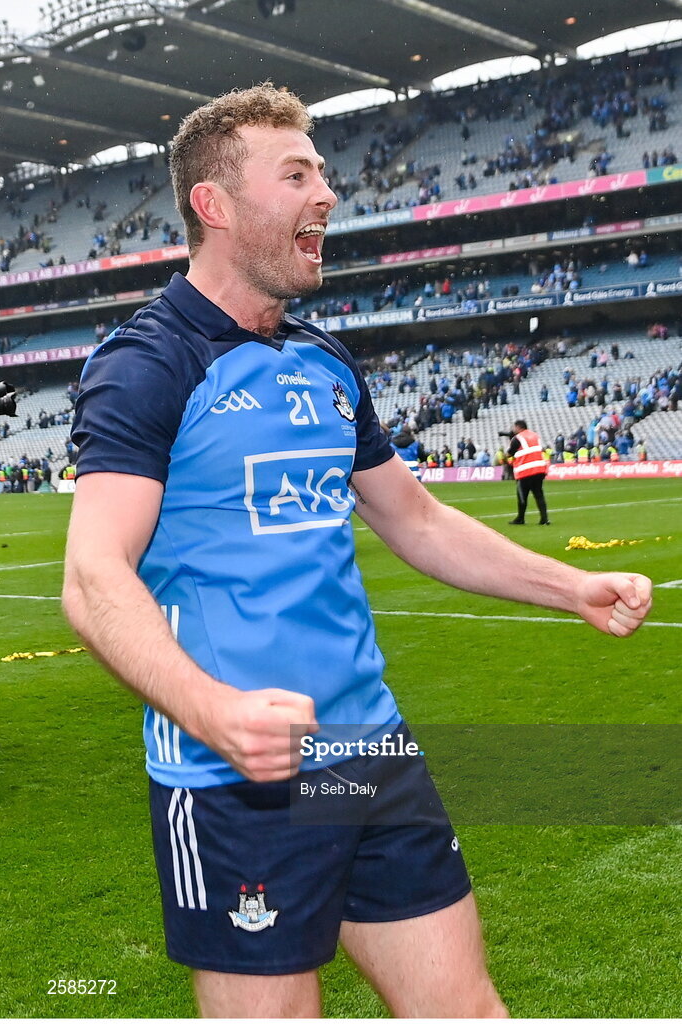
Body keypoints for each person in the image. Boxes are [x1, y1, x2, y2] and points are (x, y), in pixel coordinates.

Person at [63, 84, 653, 1020]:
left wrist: (568, 584)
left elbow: (414, 520)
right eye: (295, 174)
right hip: (230, 776)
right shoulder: (150, 363)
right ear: (213, 206)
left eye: (324, 173)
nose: (326, 194)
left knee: (467, 1011)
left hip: (363, 750)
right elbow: (93, 577)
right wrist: (213, 711)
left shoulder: (324, 362)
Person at [507, 419, 551, 525]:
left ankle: (520, 518)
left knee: (522, 496)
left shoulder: (517, 438)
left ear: (518, 427)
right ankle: (544, 519)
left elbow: (509, 453)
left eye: (514, 427)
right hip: (539, 469)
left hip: (525, 471)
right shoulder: (535, 436)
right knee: (539, 495)